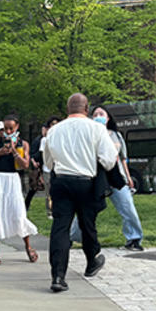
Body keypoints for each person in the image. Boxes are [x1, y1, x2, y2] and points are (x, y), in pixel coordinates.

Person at [42, 93, 118, 293]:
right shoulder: (96, 129)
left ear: (68, 110)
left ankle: (58, 275)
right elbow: (109, 160)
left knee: (60, 228)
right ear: (86, 109)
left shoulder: (54, 131)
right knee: (87, 224)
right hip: (86, 181)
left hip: (62, 181)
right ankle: (92, 260)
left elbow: (48, 163)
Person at [78, 105, 144, 251]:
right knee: (85, 208)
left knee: (128, 208)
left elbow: (123, 158)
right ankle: (73, 237)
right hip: (95, 177)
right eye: (95, 114)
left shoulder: (116, 135)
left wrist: (128, 177)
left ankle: (134, 238)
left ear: (108, 118)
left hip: (116, 177)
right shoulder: (89, 134)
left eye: (101, 113)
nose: (98, 116)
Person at [0, 114, 39, 264]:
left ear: (17, 127)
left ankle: (28, 246)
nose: (7, 132)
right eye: (5, 129)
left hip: (13, 180)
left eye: (10, 128)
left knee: (19, 212)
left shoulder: (23, 144)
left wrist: (14, 151)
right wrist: (0, 152)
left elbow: (25, 165)